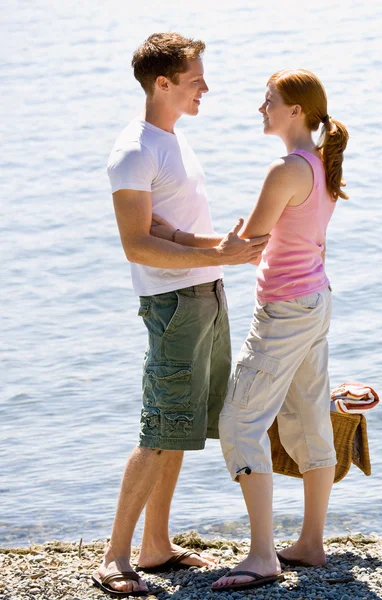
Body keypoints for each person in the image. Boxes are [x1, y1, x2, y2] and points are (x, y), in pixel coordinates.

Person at [154, 68, 349, 593]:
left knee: (241, 422)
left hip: (286, 311)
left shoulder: (286, 169)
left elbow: (250, 246)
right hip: (315, 300)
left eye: (268, 102)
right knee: (309, 417)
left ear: (297, 112)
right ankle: (310, 542)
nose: (260, 109)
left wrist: (173, 236)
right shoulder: (320, 162)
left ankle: (263, 555)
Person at [93, 33, 269, 597]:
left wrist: (224, 250)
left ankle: (155, 547)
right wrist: (212, 255)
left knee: (183, 428)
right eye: (196, 79)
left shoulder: (173, 140)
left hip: (205, 295)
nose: (206, 88)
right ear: (162, 83)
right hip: (172, 306)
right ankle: (114, 558)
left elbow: (170, 228)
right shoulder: (135, 149)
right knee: (158, 429)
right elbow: (136, 243)